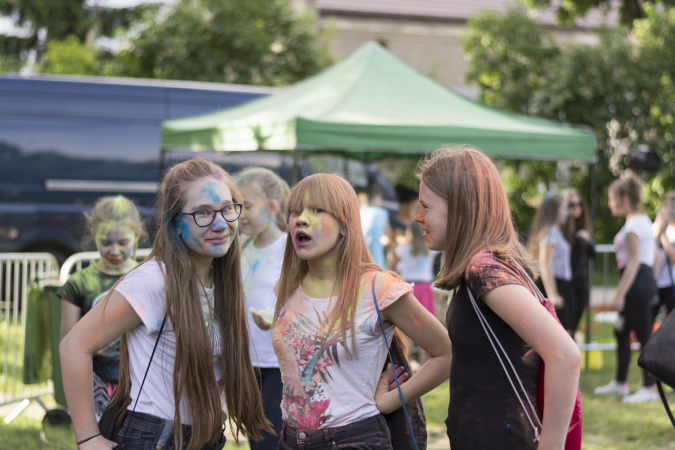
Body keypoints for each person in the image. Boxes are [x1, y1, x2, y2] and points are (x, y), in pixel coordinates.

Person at [60, 158, 270, 450]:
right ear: (175, 223)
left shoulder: (220, 279)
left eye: (227, 208)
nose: (221, 223)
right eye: (203, 213)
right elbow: (74, 346)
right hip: (154, 437)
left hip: (200, 437)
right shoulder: (154, 281)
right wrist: (88, 438)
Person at [416, 147, 580, 450]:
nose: (417, 216)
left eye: (426, 206)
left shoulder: (484, 270)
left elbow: (565, 356)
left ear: (460, 208)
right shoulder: (480, 268)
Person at [273, 173, 452, 449]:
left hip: (353, 439)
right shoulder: (287, 287)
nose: (301, 218)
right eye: (294, 211)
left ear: (345, 225)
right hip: (290, 439)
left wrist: (390, 400)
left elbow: (446, 353)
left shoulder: (378, 289)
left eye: (317, 210)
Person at [58, 195, 144, 421]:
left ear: (136, 235)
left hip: (141, 385)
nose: (114, 250)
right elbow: (68, 342)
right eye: (106, 243)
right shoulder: (78, 284)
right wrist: (90, 344)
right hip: (94, 386)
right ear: (94, 236)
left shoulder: (147, 278)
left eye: (122, 242)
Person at [236, 167, 290, 450]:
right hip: (248, 361)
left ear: (272, 207)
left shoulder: (288, 249)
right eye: (237, 205)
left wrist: (276, 320)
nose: (240, 213)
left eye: (247, 205)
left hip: (276, 364)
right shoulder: (241, 247)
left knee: (269, 441)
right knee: (256, 438)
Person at [594, 173, 658, 403]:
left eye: (612, 198)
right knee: (621, 331)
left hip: (637, 283)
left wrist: (619, 294)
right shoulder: (643, 221)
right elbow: (655, 256)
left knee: (643, 335)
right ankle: (621, 383)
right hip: (642, 281)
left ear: (624, 198)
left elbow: (633, 263)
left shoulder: (633, 226)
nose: (610, 204)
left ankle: (649, 388)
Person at [528, 193, 575, 333]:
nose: (566, 212)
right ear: (554, 211)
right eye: (563, 208)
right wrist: (552, 294)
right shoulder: (551, 232)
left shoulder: (553, 231)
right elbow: (545, 264)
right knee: (560, 332)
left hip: (558, 285)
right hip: (554, 286)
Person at [561, 189, 596, 335]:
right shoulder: (559, 229)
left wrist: (586, 240)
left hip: (579, 281)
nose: (576, 208)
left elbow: (594, 255)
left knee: (573, 328)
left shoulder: (583, 228)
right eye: (572, 204)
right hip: (564, 282)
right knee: (564, 327)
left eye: (579, 204)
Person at [394, 222, 439, 318]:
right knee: (427, 319)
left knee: (407, 318)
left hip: (407, 286)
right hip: (424, 286)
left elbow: (394, 264)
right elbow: (433, 263)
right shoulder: (429, 248)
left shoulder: (403, 248)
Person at [652, 191, 675, 322]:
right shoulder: (655, 227)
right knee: (650, 319)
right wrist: (660, 228)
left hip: (670, 284)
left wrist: (663, 237)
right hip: (656, 283)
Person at [358, 186, 391, 269]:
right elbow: (388, 237)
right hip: (377, 261)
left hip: (359, 261)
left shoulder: (357, 212)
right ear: (374, 198)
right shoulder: (381, 213)